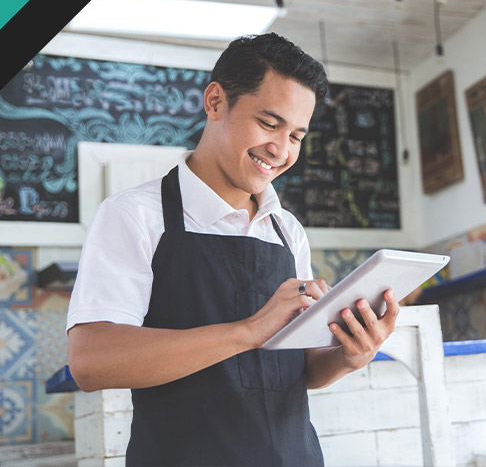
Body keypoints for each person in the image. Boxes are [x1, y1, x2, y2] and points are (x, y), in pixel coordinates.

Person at [66, 33, 400, 466]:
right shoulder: (134, 216)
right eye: (269, 123)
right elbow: (91, 362)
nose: (281, 151)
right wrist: (247, 331)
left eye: (297, 135)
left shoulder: (287, 231)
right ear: (216, 102)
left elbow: (299, 371)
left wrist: (348, 356)